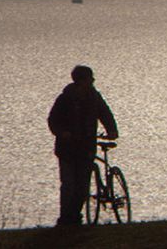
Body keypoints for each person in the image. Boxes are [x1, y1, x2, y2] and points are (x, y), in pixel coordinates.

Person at [48, 65, 119, 226]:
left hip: (86, 147)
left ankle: (74, 216)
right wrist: (62, 132)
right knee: (69, 184)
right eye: (90, 78)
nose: (93, 81)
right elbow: (53, 120)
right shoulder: (65, 99)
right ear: (81, 81)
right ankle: (65, 218)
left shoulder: (94, 97)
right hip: (67, 149)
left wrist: (112, 130)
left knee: (82, 185)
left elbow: (105, 114)